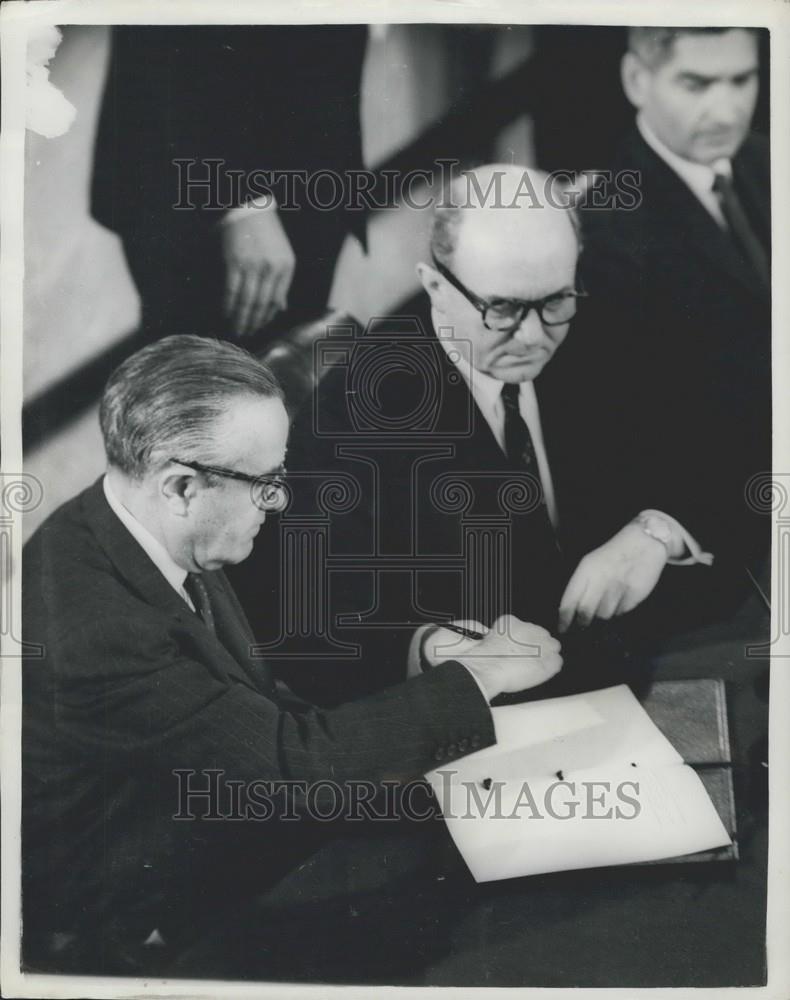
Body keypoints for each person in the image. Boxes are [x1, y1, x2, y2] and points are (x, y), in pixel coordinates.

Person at [21, 334, 563, 976]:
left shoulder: (142, 519)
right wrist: (480, 674)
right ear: (181, 486)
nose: (278, 504)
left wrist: (432, 658)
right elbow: (289, 769)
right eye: (267, 483)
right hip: (144, 917)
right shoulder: (100, 629)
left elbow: (259, 695)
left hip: (217, 813)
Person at [236, 165, 711, 705]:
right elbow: (310, 626)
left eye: (555, 301)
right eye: (502, 308)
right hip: (490, 716)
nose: (533, 337)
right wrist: (432, 648)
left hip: (644, 663)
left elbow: (713, 449)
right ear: (436, 286)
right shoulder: (355, 414)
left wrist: (656, 531)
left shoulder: (606, 326)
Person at [578, 27, 771, 622]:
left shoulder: (768, 160)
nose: (727, 107)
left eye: (742, 79)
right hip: (732, 541)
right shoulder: (607, 231)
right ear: (638, 80)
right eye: (697, 83)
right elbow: (630, 438)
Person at [91, 25, 368, 342]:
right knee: (210, 375)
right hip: (217, 183)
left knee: (275, 372)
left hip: (297, 175)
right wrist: (241, 200)